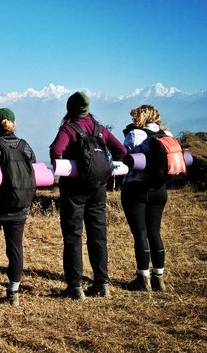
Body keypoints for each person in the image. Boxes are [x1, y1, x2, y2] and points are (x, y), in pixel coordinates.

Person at [49, 92, 125, 300]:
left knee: (73, 236)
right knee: (98, 236)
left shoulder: (69, 128)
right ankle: (102, 282)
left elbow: (56, 151)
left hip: (74, 190)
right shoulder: (100, 129)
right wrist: (105, 169)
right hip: (98, 189)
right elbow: (121, 151)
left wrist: (69, 166)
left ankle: (75, 286)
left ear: (70, 108)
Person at [0, 108, 36, 306]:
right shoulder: (25, 146)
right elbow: (33, 172)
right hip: (19, 208)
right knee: (15, 248)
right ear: (14, 123)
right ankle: (14, 292)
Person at [121, 104, 171, 292]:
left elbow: (126, 157)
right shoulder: (168, 135)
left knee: (140, 234)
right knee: (155, 232)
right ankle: (159, 277)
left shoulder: (135, 135)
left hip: (136, 189)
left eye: (135, 117)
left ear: (141, 118)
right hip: (159, 190)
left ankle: (143, 278)